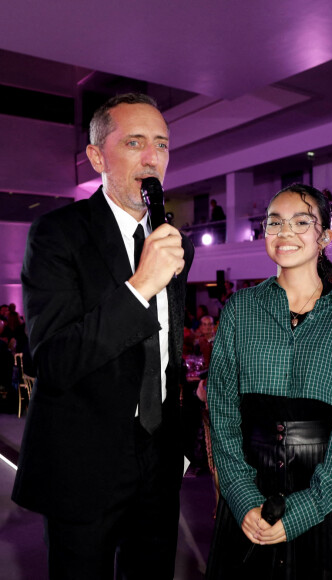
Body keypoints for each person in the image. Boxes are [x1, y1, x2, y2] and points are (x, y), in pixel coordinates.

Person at [11, 93, 195, 580]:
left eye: (162, 144)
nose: (152, 157)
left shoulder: (176, 243)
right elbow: (53, 360)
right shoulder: (57, 234)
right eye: (134, 142)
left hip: (159, 462)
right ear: (97, 157)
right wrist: (139, 288)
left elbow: (167, 355)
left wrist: (180, 443)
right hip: (83, 463)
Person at [206, 183, 332, 579]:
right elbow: (222, 410)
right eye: (274, 223)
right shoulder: (241, 309)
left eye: (301, 222)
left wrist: (309, 507)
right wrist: (242, 495)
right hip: (251, 482)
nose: (285, 232)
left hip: (326, 487)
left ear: (326, 236)